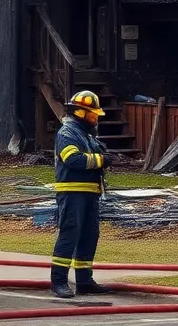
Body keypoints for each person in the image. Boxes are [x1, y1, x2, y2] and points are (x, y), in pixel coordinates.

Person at [51, 90, 112, 298]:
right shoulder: (67, 132)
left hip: (90, 193)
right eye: (92, 114)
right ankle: (58, 281)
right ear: (80, 112)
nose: (96, 118)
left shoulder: (86, 134)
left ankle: (84, 281)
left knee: (89, 236)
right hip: (72, 192)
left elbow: (92, 155)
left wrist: (103, 157)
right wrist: (101, 160)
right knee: (69, 236)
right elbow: (73, 160)